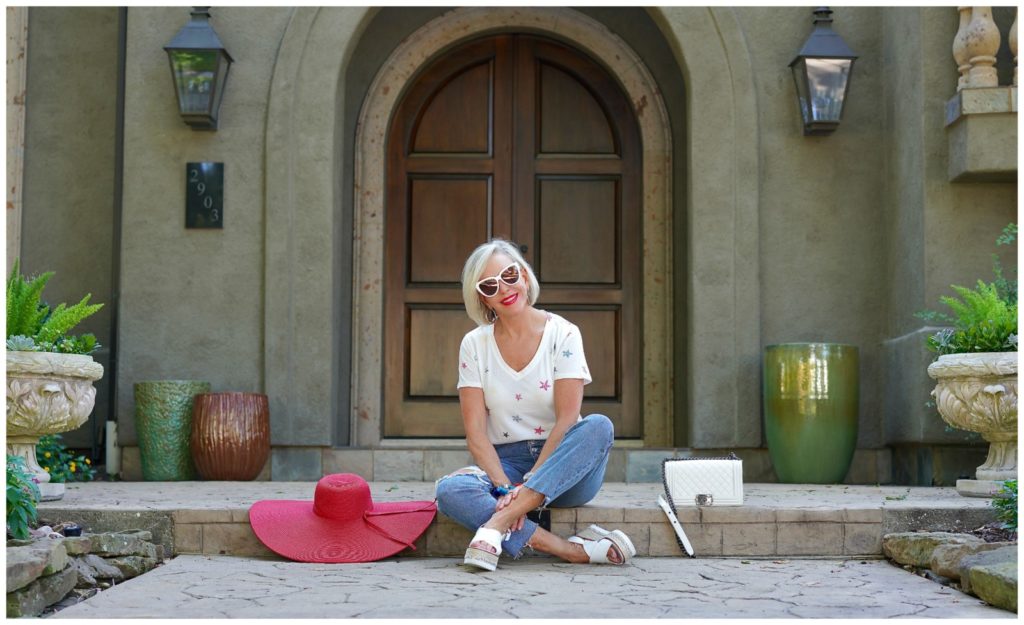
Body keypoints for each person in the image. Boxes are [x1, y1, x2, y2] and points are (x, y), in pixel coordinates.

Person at [434, 238, 635, 571]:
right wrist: (503, 486)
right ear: (482, 298)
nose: (504, 288)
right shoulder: (474, 344)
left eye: (510, 275)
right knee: (450, 490)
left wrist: (524, 491)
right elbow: (476, 436)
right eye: (490, 285)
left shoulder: (564, 334)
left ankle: (498, 525)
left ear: (525, 276)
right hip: (506, 464)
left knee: (598, 426)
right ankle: (569, 550)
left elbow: (568, 420)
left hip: (565, 464)